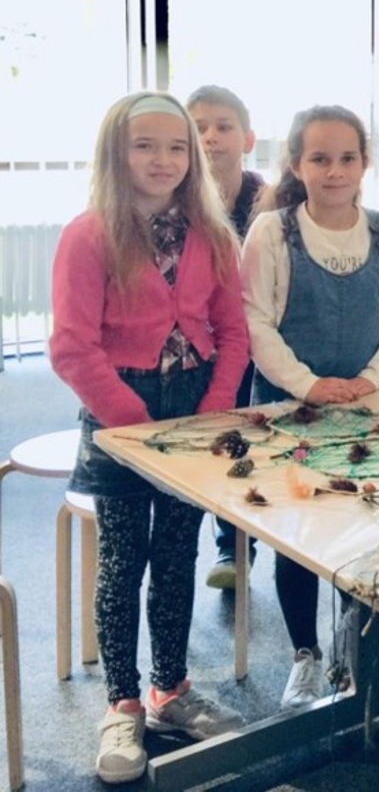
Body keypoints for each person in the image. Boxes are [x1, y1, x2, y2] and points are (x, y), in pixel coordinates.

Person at [50, 92, 247, 783]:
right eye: (145, 145)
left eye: (177, 146)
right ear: (116, 153)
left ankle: (170, 689)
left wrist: (212, 409)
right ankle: (122, 702)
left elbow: (233, 333)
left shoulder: (212, 234)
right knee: (122, 560)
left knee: (177, 555)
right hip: (119, 413)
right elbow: (72, 348)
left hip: (193, 407)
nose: (163, 159)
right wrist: (132, 422)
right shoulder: (88, 235)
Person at [241, 105, 379, 711]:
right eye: (320, 159)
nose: (335, 170)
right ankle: (305, 655)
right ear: (297, 164)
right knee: (296, 533)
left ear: (365, 163)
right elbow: (256, 322)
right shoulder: (272, 232)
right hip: (289, 406)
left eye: (347, 158)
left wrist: (371, 379)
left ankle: (350, 646)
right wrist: (309, 384)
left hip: (363, 410)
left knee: (359, 524)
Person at [186, 84, 266, 589]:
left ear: (247, 139)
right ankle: (229, 546)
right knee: (213, 442)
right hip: (200, 349)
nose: (211, 137)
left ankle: (242, 544)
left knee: (252, 443)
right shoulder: (177, 204)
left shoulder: (270, 201)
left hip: (261, 342)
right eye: (199, 128)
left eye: (223, 127)